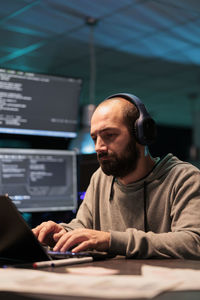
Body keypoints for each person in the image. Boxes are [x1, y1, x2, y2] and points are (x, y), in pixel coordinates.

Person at [33, 93, 200, 259]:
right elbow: (83, 226)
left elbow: (193, 242)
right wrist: (62, 233)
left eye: (109, 135)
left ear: (140, 134)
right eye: (95, 138)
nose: (98, 147)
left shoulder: (185, 178)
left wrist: (111, 240)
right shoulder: (100, 178)